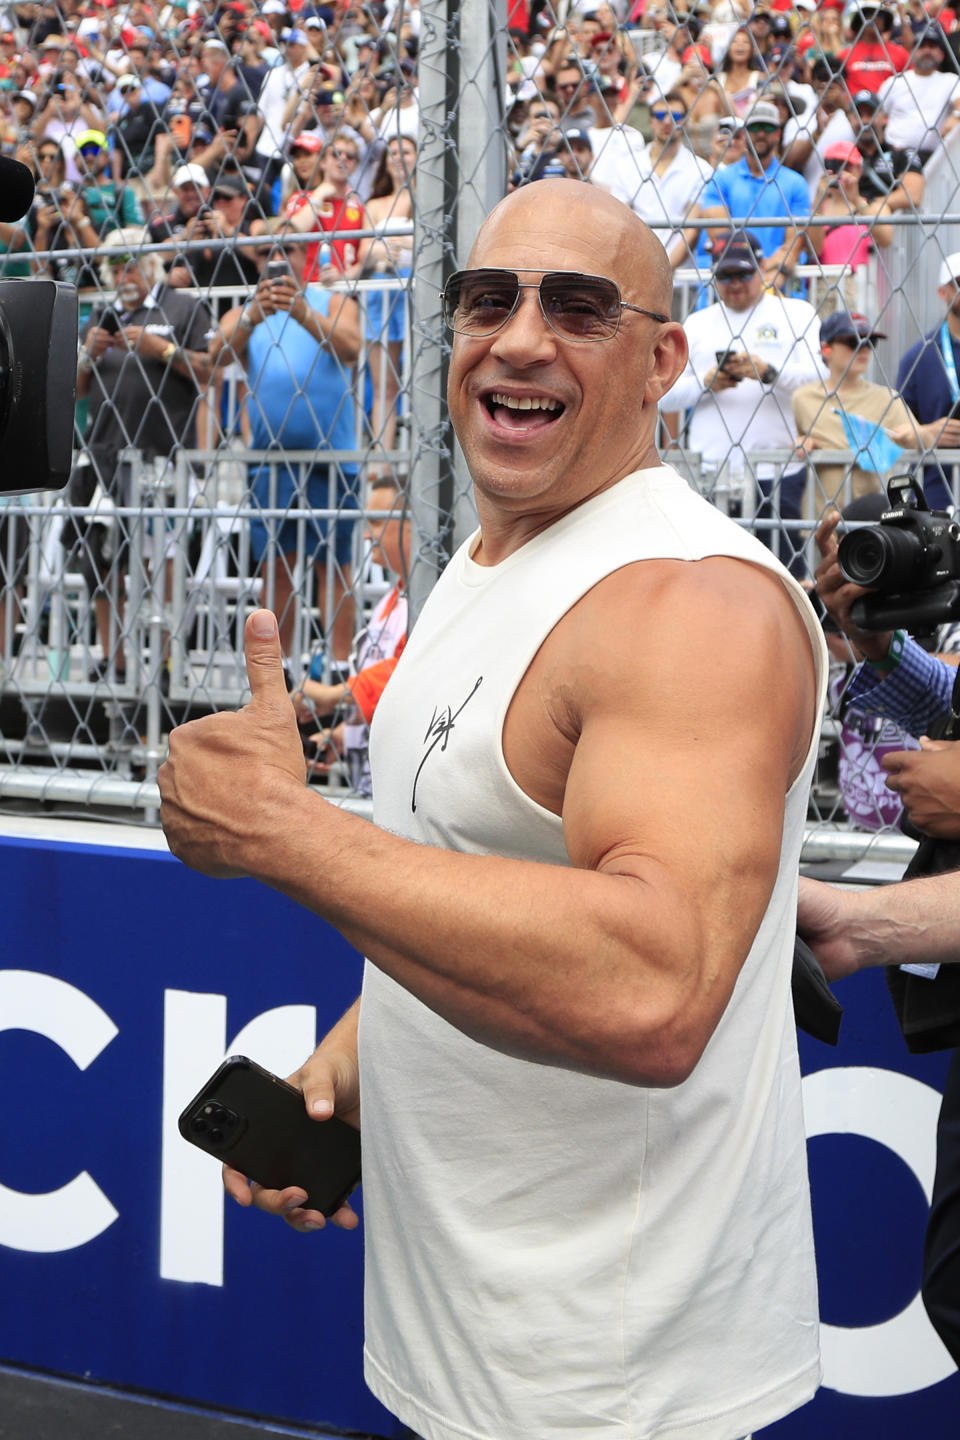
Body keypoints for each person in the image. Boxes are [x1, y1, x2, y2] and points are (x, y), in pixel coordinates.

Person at [159, 179, 827, 1440]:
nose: (520, 338)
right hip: (463, 1348)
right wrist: (344, 1075)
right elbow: (474, 868)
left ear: (661, 361)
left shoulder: (694, 606)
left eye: (579, 307)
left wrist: (282, 832)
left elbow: (655, 986)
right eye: (487, 300)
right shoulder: (492, 550)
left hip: (615, 1391)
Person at [210, 240, 361, 663]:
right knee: (275, 568)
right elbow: (216, 355)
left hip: (332, 460)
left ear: (304, 256)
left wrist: (301, 313)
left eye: (289, 249)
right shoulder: (247, 312)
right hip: (270, 464)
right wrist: (254, 317)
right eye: (266, 253)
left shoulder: (331, 300)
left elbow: (351, 347)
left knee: (333, 568)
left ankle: (338, 670)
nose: (277, 259)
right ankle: (279, 674)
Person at [71, 228, 213, 679]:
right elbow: (75, 391)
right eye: (113, 267)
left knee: (165, 560)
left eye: (129, 263)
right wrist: (86, 356)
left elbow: (209, 370)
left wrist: (160, 348)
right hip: (103, 456)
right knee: (101, 560)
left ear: (151, 264)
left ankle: (169, 659)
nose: (121, 274)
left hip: (164, 454)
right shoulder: (102, 315)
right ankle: (114, 659)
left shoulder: (182, 306)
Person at [662, 227, 823, 571]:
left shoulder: (797, 314)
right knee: (714, 580)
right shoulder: (697, 323)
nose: (734, 283)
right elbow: (663, 395)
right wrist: (705, 383)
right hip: (712, 471)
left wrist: (768, 372)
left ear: (762, 268)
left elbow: (823, 380)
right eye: (724, 275)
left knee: (782, 576)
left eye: (743, 273)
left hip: (778, 470)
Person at [292, 477, 409, 795]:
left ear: (414, 524)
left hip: (403, 782)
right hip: (378, 779)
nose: (368, 534)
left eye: (376, 522)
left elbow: (405, 676)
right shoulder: (393, 597)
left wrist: (331, 695)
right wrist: (344, 734)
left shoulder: (430, 598)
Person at [792, 309, 941, 511]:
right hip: (822, 520)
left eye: (870, 342)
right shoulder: (803, 399)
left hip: (872, 519)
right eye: (853, 342)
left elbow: (927, 443)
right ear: (826, 349)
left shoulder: (887, 398)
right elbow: (799, 439)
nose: (863, 349)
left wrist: (914, 436)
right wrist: (802, 441)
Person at [698, 96, 810, 286]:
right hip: (733, 281)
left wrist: (773, 275)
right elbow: (721, 239)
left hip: (777, 283)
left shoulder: (796, 183)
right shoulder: (719, 180)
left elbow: (793, 244)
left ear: (778, 133)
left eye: (768, 128)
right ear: (744, 134)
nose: (761, 134)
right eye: (754, 128)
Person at [895, 249, 960, 510]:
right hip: (937, 493)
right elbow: (898, 428)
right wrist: (926, 433)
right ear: (941, 293)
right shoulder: (918, 358)